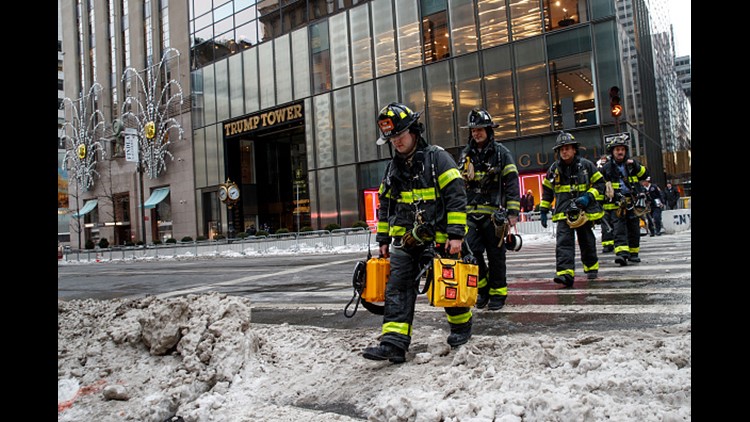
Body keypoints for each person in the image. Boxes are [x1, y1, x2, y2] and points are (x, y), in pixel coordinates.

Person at [362, 102, 470, 363]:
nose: (396, 142)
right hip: (406, 241)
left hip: (440, 238)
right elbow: (386, 205)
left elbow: (456, 196)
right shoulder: (393, 169)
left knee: (448, 285)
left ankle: (460, 328)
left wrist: (456, 235)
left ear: (413, 131)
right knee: (397, 288)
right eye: (392, 138)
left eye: (399, 136)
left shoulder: (438, 158)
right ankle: (394, 344)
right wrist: (384, 239)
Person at [457, 108, 521, 310]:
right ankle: (482, 290)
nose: (476, 133)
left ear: (489, 130)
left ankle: (498, 294)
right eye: (473, 130)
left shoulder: (501, 153)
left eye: (480, 129)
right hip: (470, 213)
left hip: (493, 215)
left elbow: (511, 182)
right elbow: (458, 185)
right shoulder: (465, 154)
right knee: (471, 254)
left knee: (496, 256)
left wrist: (512, 212)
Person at [539, 132, 604, 287]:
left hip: (583, 213)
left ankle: (591, 268)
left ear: (574, 149)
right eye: (561, 149)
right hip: (563, 213)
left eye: (567, 148)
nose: (564, 152)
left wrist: (588, 197)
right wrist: (543, 209)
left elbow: (600, 184)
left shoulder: (586, 166)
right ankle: (565, 274)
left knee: (587, 242)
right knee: (563, 244)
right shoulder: (554, 169)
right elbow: (547, 191)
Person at [599, 136, 650, 265]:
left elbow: (644, 175)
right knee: (619, 230)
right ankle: (622, 254)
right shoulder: (606, 168)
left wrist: (636, 166)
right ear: (612, 152)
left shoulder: (632, 165)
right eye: (617, 150)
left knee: (634, 229)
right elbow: (600, 186)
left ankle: (633, 254)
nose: (620, 152)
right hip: (616, 204)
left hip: (632, 202)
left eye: (622, 149)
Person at [596, 154, 616, 253]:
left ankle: (617, 243)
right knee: (605, 226)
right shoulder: (599, 173)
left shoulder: (613, 170)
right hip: (604, 205)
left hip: (616, 204)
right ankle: (607, 244)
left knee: (617, 225)